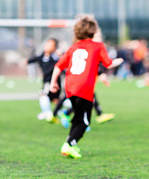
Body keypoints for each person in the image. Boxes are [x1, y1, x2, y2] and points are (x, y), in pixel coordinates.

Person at [49, 15, 123, 159]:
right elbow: (107, 63)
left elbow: (58, 66)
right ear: (94, 31)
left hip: (70, 87)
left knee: (77, 117)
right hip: (84, 89)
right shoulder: (98, 46)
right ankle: (69, 144)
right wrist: (117, 61)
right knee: (84, 121)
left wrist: (53, 83)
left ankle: (71, 144)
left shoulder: (73, 47)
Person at [26, 38, 62, 122]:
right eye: (47, 44)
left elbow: (61, 60)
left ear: (54, 48)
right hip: (46, 81)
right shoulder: (42, 56)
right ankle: (64, 111)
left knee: (43, 94)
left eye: (50, 45)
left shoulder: (55, 56)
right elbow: (33, 59)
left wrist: (60, 54)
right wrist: (27, 61)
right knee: (55, 100)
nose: (47, 46)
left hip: (53, 82)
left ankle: (48, 113)